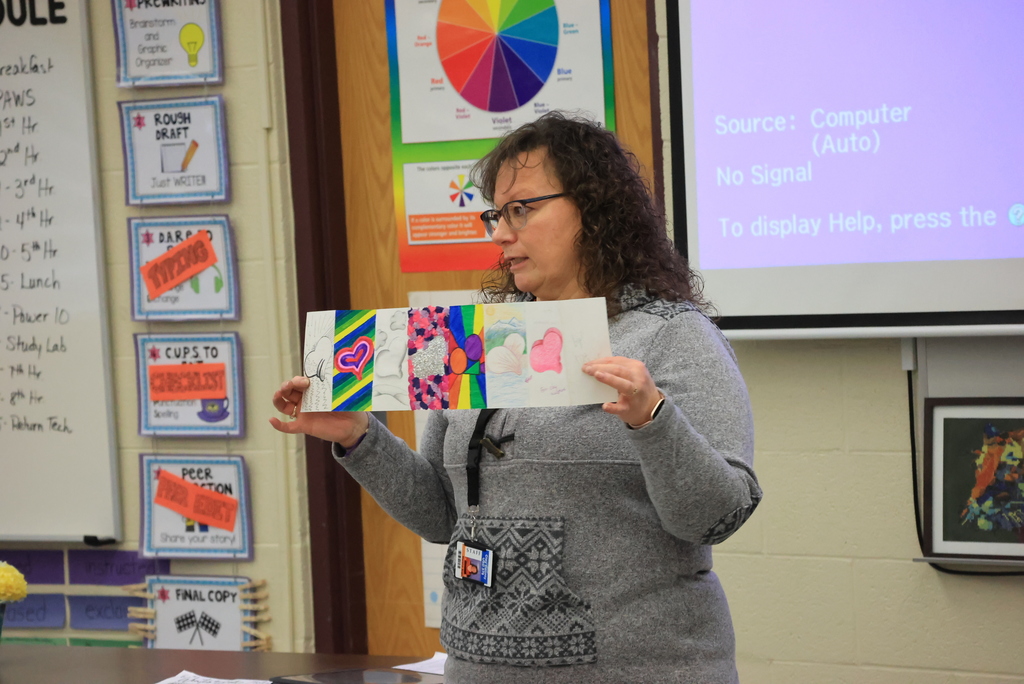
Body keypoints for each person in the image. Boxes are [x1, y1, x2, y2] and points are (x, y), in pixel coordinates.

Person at [271, 111, 761, 683]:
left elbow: (716, 515)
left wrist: (653, 421)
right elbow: (442, 515)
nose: (500, 233)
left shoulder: (671, 335)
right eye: (496, 215)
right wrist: (358, 436)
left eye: (521, 210)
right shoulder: (480, 342)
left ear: (593, 210)